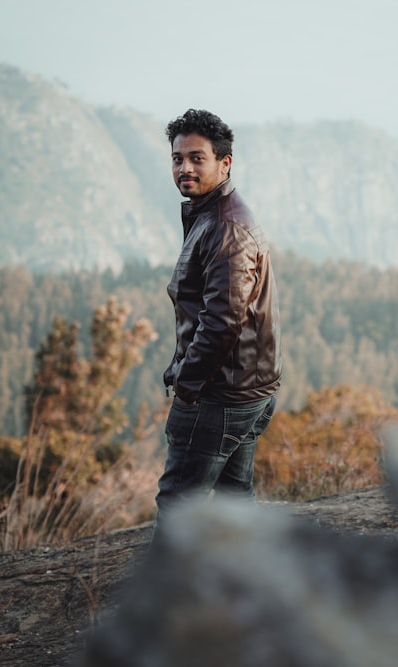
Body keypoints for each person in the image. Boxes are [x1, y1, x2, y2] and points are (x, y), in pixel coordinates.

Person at [154, 108, 282, 528]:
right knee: (234, 499)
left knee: (178, 503)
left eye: (197, 158)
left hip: (220, 394)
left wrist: (188, 385)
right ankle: (253, 583)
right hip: (247, 388)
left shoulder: (226, 227)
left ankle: (163, 592)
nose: (184, 167)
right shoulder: (214, 214)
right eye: (177, 158)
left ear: (224, 163)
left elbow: (223, 320)